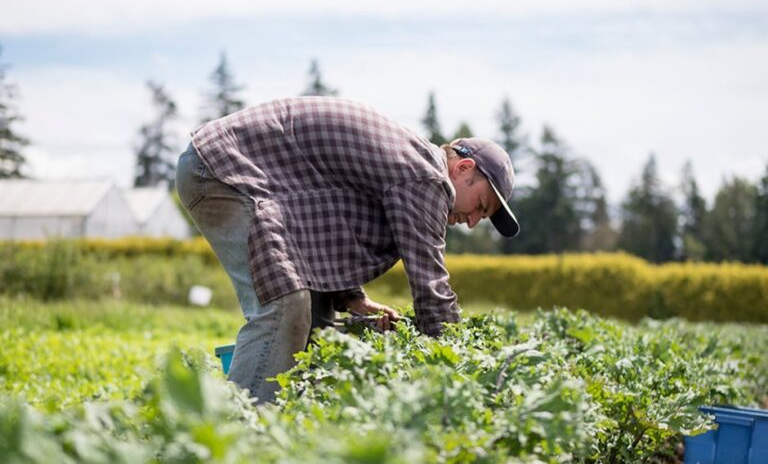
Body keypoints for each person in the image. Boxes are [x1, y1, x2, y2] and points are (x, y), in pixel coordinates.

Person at [175, 96, 519, 404]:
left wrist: (353, 299)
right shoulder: (426, 177)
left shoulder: (406, 166)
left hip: (234, 172)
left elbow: (325, 231)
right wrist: (459, 365)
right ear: (463, 168)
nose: (472, 221)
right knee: (285, 306)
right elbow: (431, 289)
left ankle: (292, 433)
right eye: (481, 205)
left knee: (320, 325)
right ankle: (238, 443)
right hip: (224, 169)